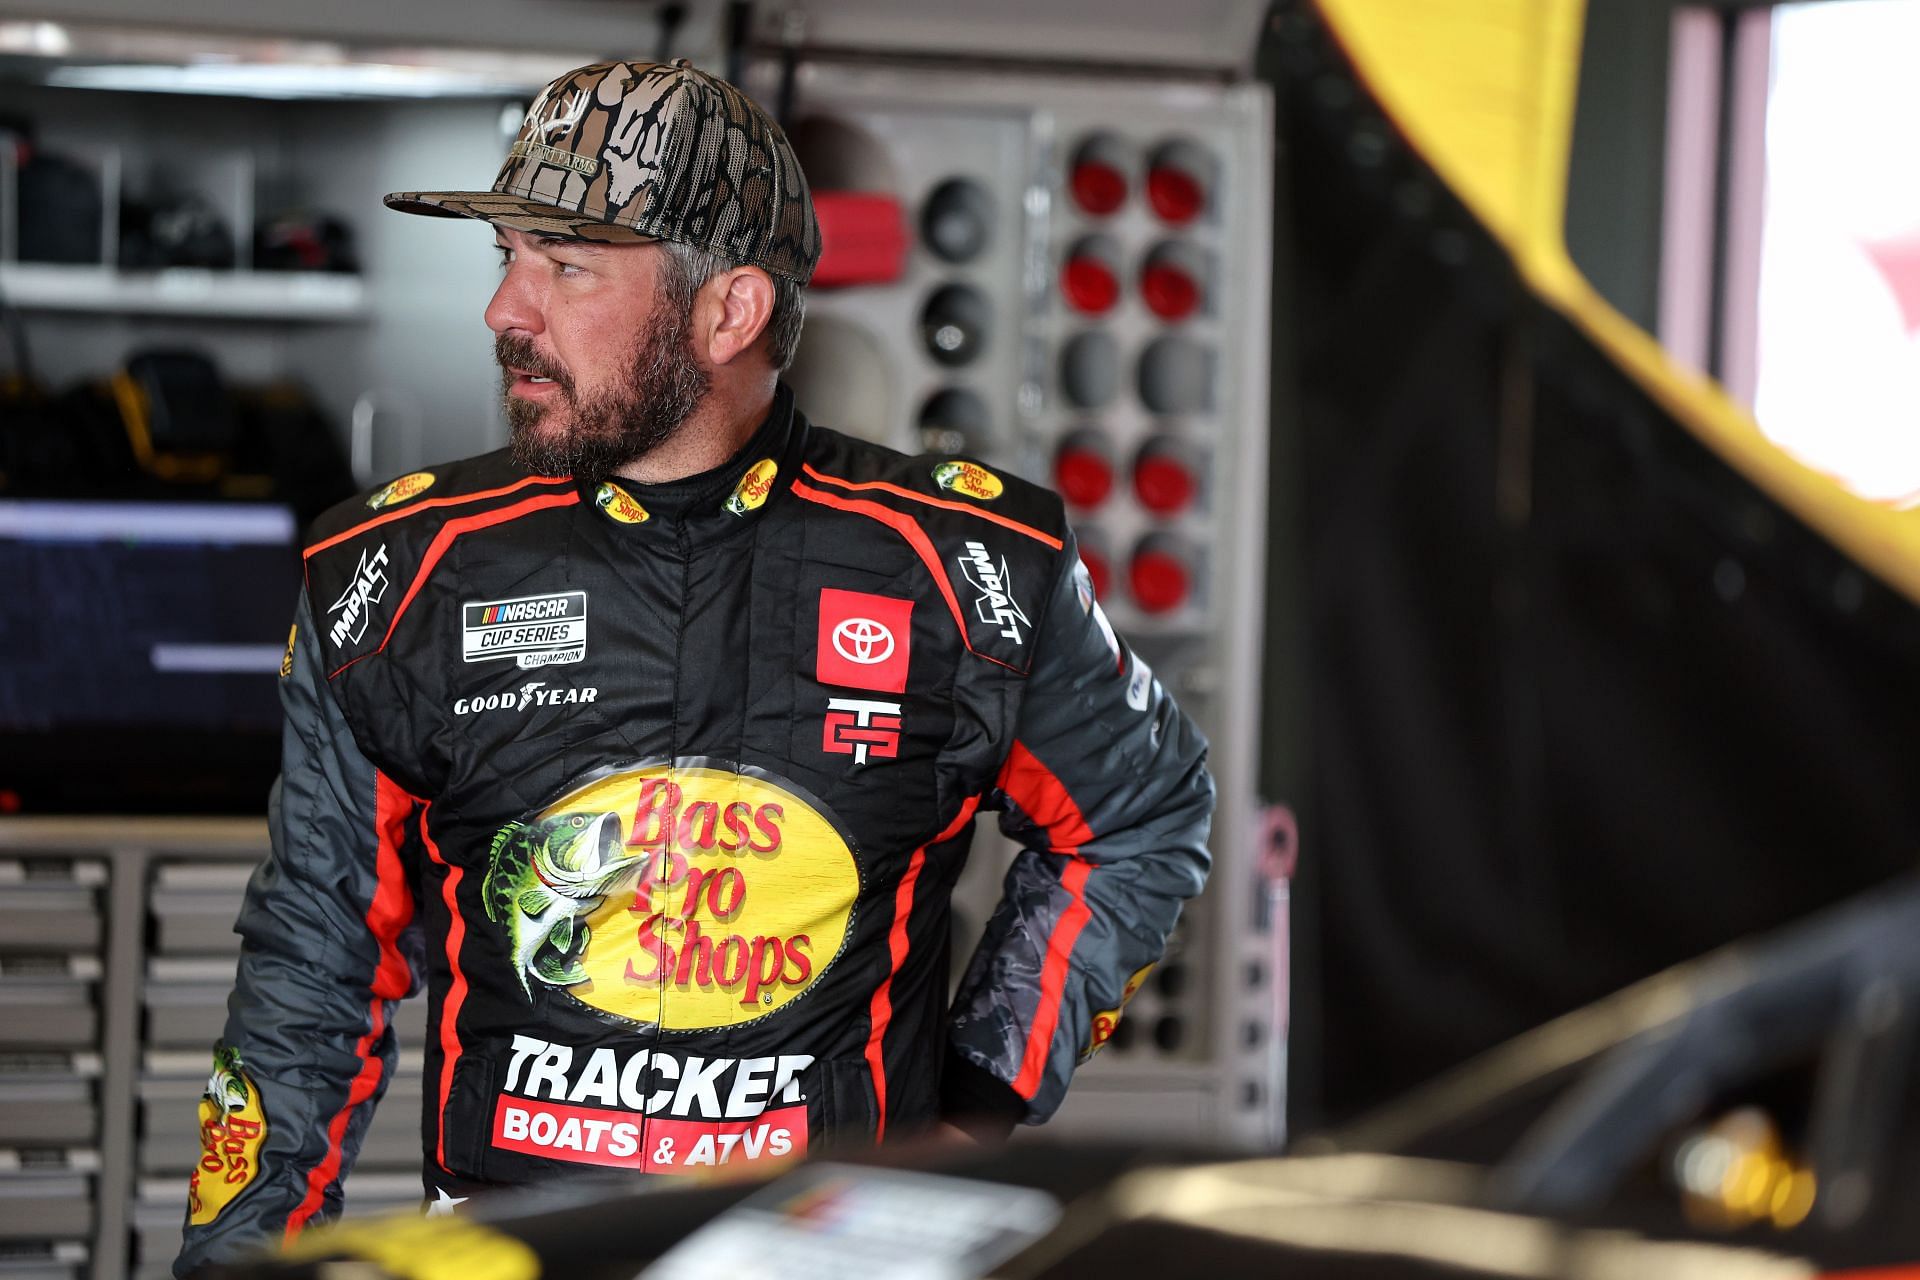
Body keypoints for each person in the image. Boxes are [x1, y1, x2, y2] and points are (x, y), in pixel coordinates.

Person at [175, 58, 1212, 1274]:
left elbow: (1143, 810)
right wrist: (237, 1263)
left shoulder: (964, 565)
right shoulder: (395, 573)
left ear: (729, 312)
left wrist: (976, 1096)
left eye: (566, 265)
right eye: (507, 257)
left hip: (826, 1248)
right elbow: (314, 955)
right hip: (519, 1245)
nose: (508, 309)